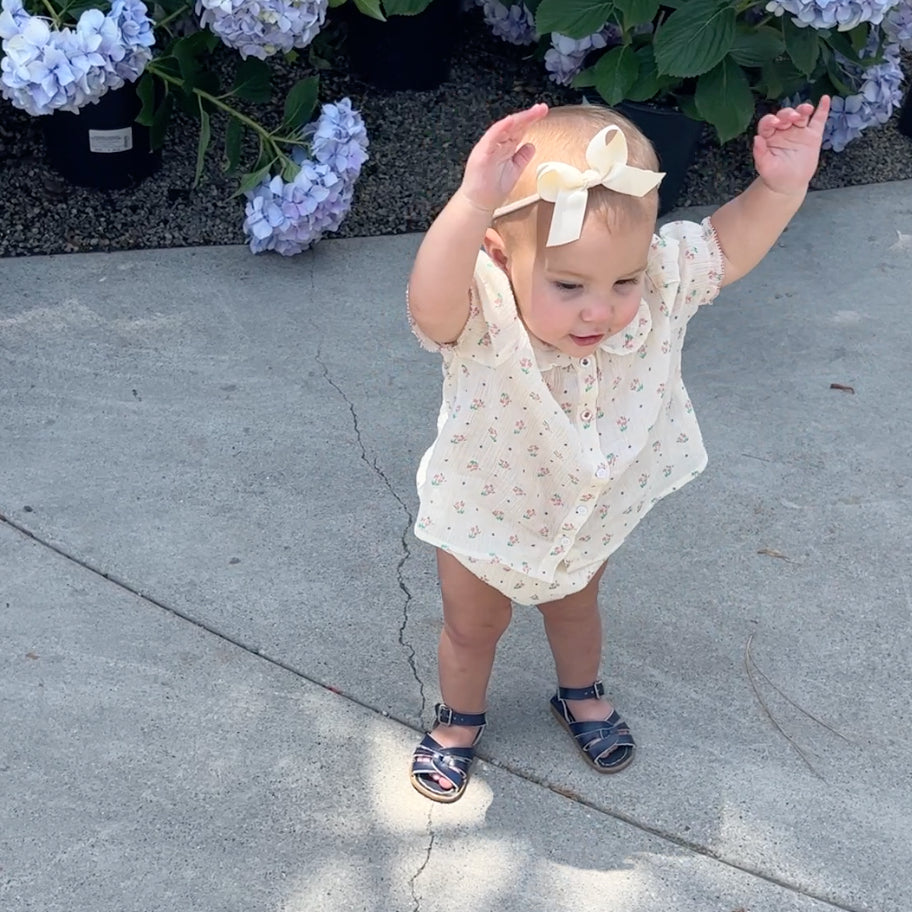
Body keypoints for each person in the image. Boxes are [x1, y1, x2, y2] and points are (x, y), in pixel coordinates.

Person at [406, 97, 830, 803]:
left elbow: (724, 247)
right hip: (483, 513)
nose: (599, 309)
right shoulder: (482, 310)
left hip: (588, 514)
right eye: (569, 285)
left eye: (622, 282)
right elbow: (429, 301)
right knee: (473, 625)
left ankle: (580, 693)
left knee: (577, 607)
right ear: (498, 252)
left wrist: (779, 187)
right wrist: (474, 199)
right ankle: (458, 723)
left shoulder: (658, 286)